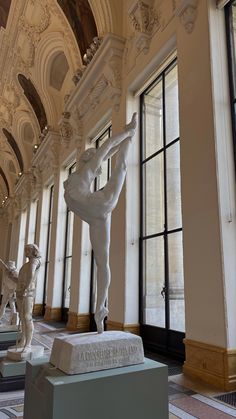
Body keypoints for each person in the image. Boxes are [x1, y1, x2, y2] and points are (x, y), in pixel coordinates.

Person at [64, 113, 137, 333]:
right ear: (88, 157)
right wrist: (127, 131)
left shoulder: (75, 179)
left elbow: (106, 151)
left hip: (96, 208)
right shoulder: (85, 170)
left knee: (102, 263)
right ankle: (100, 309)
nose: (98, 166)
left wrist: (125, 137)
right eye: (96, 159)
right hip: (97, 213)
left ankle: (101, 307)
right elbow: (107, 146)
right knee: (102, 263)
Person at [16, 244, 41, 351]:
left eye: (28, 250)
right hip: (20, 291)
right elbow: (20, 278)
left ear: (34, 251)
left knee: (27, 317)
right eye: (25, 249)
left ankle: (28, 344)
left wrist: (26, 288)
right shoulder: (27, 264)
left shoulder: (34, 261)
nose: (26, 251)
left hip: (27, 292)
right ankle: (23, 339)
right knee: (22, 316)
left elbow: (31, 275)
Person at [0, 259, 18, 324]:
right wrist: (3, 291)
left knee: (12, 305)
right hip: (6, 290)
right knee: (3, 304)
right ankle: (0, 317)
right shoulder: (6, 272)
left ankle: (14, 320)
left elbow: (17, 283)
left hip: (12, 291)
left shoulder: (16, 273)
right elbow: (4, 283)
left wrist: (14, 293)